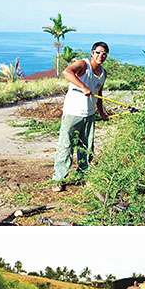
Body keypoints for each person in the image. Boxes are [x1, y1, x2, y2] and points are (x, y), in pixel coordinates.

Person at [52, 42, 109, 192]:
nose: (100, 56)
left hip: (89, 115)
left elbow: (99, 93)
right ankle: (59, 179)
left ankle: (82, 177)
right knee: (66, 146)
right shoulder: (83, 64)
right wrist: (83, 87)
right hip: (73, 113)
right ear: (92, 53)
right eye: (98, 52)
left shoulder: (103, 72)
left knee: (86, 148)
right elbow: (66, 72)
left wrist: (101, 112)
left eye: (104, 54)